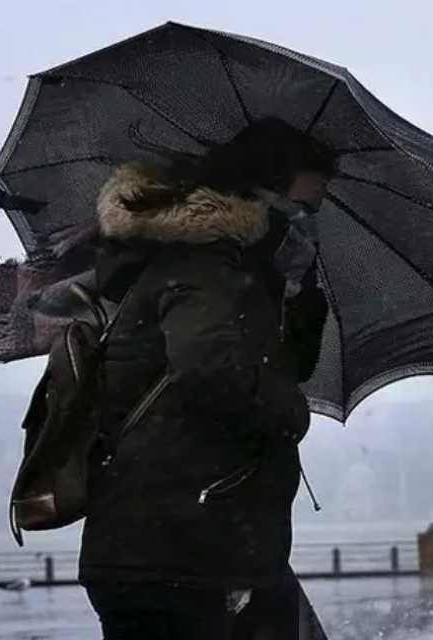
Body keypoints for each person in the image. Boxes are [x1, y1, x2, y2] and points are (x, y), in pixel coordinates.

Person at [78, 118, 332, 639]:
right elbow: (210, 371)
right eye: (299, 209)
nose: (306, 224)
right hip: (184, 554)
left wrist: (300, 293)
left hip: (189, 548)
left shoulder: (236, 273)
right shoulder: (203, 267)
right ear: (255, 198)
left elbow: (286, 365)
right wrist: (292, 415)